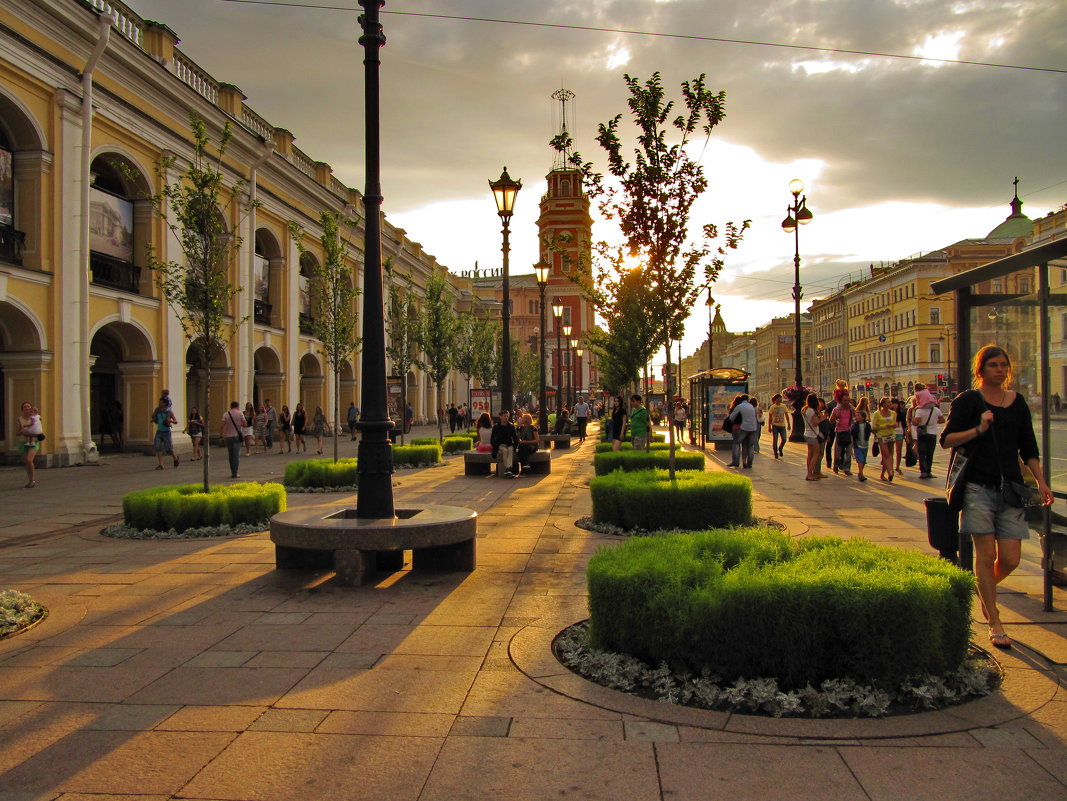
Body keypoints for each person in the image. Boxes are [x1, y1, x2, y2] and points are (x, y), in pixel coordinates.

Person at [941, 345, 1053, 649]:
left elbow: (1028, 448)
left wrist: (1041, 481)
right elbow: (946, 439)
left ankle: (983, 590)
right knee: (986, 557)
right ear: (982, 369)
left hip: (1010, 490)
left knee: (1011, 559)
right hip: (977, 488)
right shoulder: (968, 401)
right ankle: (994, 620)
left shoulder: (1017, 404)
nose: (1000, 369)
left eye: (1004, 364)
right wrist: (979, 428)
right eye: (993, 365)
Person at [911, 394, 944, 479]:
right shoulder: (936, 410)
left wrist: (913, 420)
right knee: (930, 453)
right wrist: (933, 422)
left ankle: (923, 471)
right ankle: (929, 471)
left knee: (922, 453)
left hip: (922, 434)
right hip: (933, 434)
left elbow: (916, 422)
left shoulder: (919, 411)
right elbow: (942, 420)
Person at [726, 394, 758, 469]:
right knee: (750, 446)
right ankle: (749, 464)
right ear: (747, 399)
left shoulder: (740, 406)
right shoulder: (751, 406)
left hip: (744, 428)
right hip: (753, 428)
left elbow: (731, 417)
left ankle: (736, 462)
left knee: (736, 443)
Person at [871, 396, 898, 482]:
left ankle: (883, 473)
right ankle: (890, 472)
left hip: (891, 435)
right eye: (888, 402)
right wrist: (885, 426)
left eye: (890, 402)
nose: (890, 404)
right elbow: (874, 427)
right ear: (883, 404)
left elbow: (895, 423)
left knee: (890, 454)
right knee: (885, 454)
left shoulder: (893, 413)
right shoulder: (877, 413)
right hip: (881, 436)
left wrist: (894, 425)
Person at [16, 401, 42, 488]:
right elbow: (18, 432)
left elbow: (39, 430)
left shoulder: (35, 417)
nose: (27, 408)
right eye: (25, 407)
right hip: (23, 442)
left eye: (28, 407)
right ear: (22, 409)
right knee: (27, 462)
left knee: (29, 460)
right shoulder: (20, 419)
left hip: (34, 441)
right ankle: (30, 480)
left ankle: (32, 480)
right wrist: (23, 431)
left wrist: (32, 433)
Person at [152, 396, 179, 470]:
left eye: (161, 402)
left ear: (165, 403)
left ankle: (175, 457)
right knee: (158, 448)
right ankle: (161, 464)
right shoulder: (157, 410)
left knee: (168, 449)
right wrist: (153, 418)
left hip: (166, 432)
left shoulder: (169, 412)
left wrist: (170, 421)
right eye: (159, 402)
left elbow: (176, 421)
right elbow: (154, 418)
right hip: (159, 431)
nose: (159, 403)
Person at [830, 393, 854, 476]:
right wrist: (836, 417)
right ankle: (836, 465)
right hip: (840, 432)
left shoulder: (850, 409)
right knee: (838, 451)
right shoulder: (837, 409)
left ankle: (847, 468)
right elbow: (831, 420)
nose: (847, 402)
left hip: (848, 431)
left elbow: (856, 417)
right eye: (845, 400)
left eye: (848, 400)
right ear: (841, 401)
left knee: (849, 451)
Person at [801, 394, 825, 480]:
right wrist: (822, 418)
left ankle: (809, 472)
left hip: (807, 433)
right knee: (816, 454)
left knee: (810, 454)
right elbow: (815, 423)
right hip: (813, 435)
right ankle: (810, 474)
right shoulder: (812, 411)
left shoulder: (805, 409)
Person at [491, 409, 520, 478]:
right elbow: (492, 439)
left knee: (510, 450)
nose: (506, 417)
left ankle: (508, 469)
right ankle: (509, 469)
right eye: (504, 416)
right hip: (500, 445)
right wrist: (495, 448)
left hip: (509, 444)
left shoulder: (511, 426)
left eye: (507, 416)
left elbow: (515, 438)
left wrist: (515, 447)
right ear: (500, 417)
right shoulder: (496, 427)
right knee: (505, 451)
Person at [220, 401, 245, 478]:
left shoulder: (226, 414)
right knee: (236, 455)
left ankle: (232, 471)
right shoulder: (240, 413)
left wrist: (221, 435)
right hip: (237, 436)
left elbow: (222, 425)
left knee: (231, 455)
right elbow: (245, 424)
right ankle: (235, 473)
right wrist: (239, 424)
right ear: (237, 406)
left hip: (228, 437)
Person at [767, 393, 790, 458]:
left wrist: (788, 424)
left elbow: (786, 415)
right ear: (776, 399)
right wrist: (769, 426)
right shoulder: (772, 407)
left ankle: (780, 448)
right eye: (780, 398)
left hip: (782, 425)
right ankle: (775, 453)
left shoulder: (783, 406)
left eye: (781, 398)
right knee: (775, 440)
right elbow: (770, 418)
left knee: (784, 439)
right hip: (775, 426)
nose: (781, 399)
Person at [851, 409, 872, 482]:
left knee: (863, 460)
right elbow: (852, 435)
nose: (856, 417)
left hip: (865, 445)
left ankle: (860, 472)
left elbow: (870, 432)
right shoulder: (854, 426)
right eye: (856, 415)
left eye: (858, 415)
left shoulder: (867, 425)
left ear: (863, 417)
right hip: (857, 445)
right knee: (860, 460)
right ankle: (861, 474)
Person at [892, 397, 907, 474]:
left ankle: (897, 466)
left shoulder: (901, 413)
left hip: (899, 433)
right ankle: (890, 466)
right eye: (893, 403)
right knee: (890, 451)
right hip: (890, 433)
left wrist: (906, 436)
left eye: (896, 404)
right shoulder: (889, 413)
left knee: (899, 451)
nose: (895, 405)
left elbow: (904, 425)